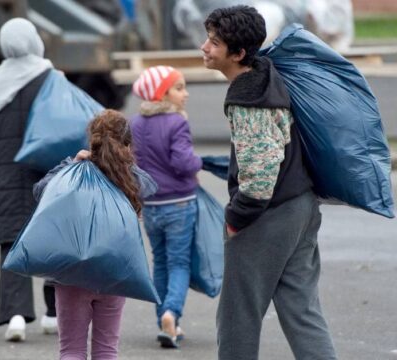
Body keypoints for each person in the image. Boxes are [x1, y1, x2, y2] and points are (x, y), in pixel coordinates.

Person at [200, 6, 338, 360]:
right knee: (302, 311)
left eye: (214, 43)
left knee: (238, 318)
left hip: (269, 215)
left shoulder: (249, 97)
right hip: (303, 204)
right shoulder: (269, 74)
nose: (204, 47)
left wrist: (235, 218)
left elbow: (260, 172)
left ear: (238, 53)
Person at [33, 109, 158, 360]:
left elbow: (40, 191)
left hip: (72, 272)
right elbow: (151, 186)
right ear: (128, 144)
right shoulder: (129, 176)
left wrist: (71, 166)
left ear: (92, 141)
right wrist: (124, 166)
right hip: (114, 273)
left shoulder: (76, 170)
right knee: (106, 350)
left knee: (71, 350)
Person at [0, 18, 57, 341]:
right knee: (52, 243)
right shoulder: (50, 78)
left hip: (3, 174)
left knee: (12, 245)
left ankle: (17, 317)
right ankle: (53, 313)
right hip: (44, 173)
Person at [129, 66, 202, 348]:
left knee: (160, 262)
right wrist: (199, 163)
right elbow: (183, 163)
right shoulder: (176, 122)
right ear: (163, 94)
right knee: (179, 262)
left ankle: (165, 322)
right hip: (179, 204)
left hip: (151, 205)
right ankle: (172, 312)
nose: (186, 94)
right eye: (179, 88)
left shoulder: (135, 123)